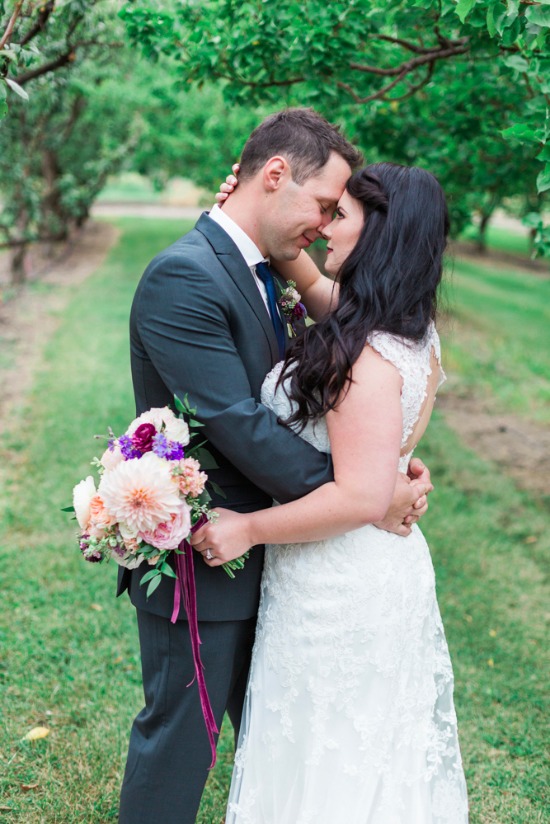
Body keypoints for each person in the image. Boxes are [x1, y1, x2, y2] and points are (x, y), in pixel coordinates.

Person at [118, 109, 432, 824]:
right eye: (323, 205)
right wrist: (365, 495)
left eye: (335, 215)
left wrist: (380, 467)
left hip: (285, 565)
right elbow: (239, 424)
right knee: (180, 747)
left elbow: (336, 398)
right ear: (275, 174)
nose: (324, 226)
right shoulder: (184, 276)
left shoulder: (262, 271)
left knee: (280, 750)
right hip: (208, 563)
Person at [192, 162, 469, 822]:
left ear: (381, 234)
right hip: (363, 569)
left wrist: (247, 528)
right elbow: (310, 280)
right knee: (356, 749)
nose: (323, 229)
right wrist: (239, 208)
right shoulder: (404, 333)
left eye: (339, 217)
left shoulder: (368, 358)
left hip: (342, 583)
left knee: (332, 750)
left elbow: (357, 499)